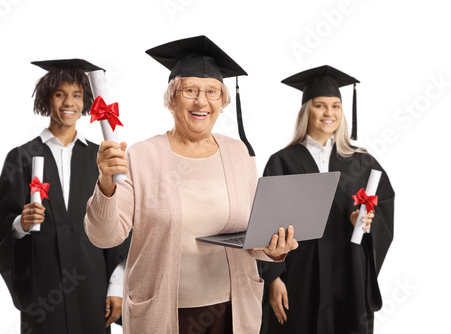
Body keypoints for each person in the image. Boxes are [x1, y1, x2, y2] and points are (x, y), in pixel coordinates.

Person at [84, 36, 298, 334]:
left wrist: (275, 250)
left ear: (223, 102)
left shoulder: (239, 154)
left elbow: (253, 238)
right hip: (163, 313)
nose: (201, 101)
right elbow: (105, 237)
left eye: (212, 92)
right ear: (171, 98)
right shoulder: (141, 155)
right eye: (190, 90)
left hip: (233, 311)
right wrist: (106, 185)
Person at [0, 59, 131, 334]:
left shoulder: (100, 157)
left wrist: (117, 286)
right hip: (43, 284)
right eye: (60, 94)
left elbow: (121, 224)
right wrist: (21, 223)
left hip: (92, 283)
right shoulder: (22, 157)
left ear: (86, 100)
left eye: (77, 95)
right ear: (47, 99)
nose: (69, 102)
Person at [258, 65, 395, 334]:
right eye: (320, 105)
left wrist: (365, 222)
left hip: (349, 275)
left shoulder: (362, 160)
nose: (329, 113)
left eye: (335, 106)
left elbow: (383, 208)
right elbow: (266, 225)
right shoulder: (283, 161)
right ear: (307, 110)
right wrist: (273, 278)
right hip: (300, 275)